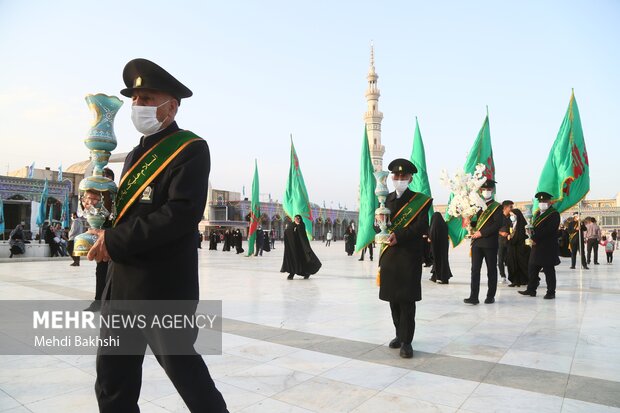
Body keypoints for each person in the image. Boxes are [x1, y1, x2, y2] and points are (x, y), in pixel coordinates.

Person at [86, 58, 227, 412]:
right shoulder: (134, 154)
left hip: (162, 289)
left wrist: (114, 241)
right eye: (135, 99)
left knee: (188, 377)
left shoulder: (190, 148)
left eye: (148, 98)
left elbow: (180, 214)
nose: (138, 106)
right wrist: (99, 203)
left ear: (172, 105)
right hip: (121, 288)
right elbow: (128, 213)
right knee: (112, 381)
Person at [378, 159, 432, 358]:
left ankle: (407, 342)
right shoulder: (385, 199)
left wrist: (398, 236)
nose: (399, 179)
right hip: (390, 257)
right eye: (396, 176)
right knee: (393, 300)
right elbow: (379, 226)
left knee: (407, 301)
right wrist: (380, 227)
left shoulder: (420, 200)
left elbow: (420, 227)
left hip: (409, 257)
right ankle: (398, 335)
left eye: (403, 176)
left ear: (410, 178)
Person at [463, 179, 503, 305]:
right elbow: (477, 223)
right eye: (484, 189)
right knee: (475, 270)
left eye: (489, 189)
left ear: (492, 190)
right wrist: (470, 222)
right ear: (480, 191)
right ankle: (473, 296)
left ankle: (490, 296)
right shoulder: (477, 205)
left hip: (489, 243)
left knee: (491, 270)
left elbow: (497, 224)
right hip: (476, 243)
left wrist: (482, 233)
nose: (486, 191)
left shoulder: (497, 206)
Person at [519, 192, 561, 299]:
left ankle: (551, 292)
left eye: (545, 201)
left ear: (549, 202)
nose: (542, 203)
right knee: (532, 268)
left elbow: (549, 230)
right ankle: (531, 289)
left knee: (548, 271)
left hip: (547, 246)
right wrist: (529, 233)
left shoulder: (554, 214)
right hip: (536, 246)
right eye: (541, 201)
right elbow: (534, 227)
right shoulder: (537, 214)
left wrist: (535, 237)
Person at [281, 215, 321, 279]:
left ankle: (306, 273)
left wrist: (298, 226)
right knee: (293, 260)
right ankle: (292, 273)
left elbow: (302, 235)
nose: (297, 219)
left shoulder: (302, 225)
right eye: (296, 218)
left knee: (302, 261)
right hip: (293, 247)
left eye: (298, 218)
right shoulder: (292, 224)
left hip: (301, 247)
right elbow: (287, 232)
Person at [505, 208, 530, 287]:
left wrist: (512, 239)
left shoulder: (522, 224)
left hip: (520, 248)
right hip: (512, 248)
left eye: (513, 215)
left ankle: (528, 280)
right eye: (511, 215)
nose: (511, 216)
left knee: (522, 265)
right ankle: (515, 281)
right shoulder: (512, 224)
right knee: (513, 265)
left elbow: (521, 236)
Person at [428, 212, 452, 284]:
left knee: (437, 260)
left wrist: (429, 238)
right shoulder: (444, 225)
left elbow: (431, 236)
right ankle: (435, 277)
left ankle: (442, 278)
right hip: (444, 247)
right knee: (443, 261)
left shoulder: (434, 226)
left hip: (436, 247)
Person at [497, 200, 514, 284]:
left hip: (509, 241)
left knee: (510, 259)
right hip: (500, 241)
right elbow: (493, 228)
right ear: (505, 207)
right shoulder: (498, 217)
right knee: (500, 260)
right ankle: (502, 276)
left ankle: (512, 276)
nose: (512, 208)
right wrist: (501, 233)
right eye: (510, 207)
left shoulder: (511, 218)